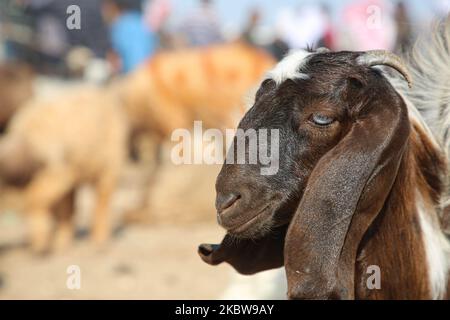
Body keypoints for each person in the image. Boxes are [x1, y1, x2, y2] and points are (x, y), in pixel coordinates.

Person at [102, 0, 158, 74]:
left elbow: (134, 60)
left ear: (112, 6)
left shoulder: (120, 26)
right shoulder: (140, 20)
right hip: (152, 74)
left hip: (135, 76)